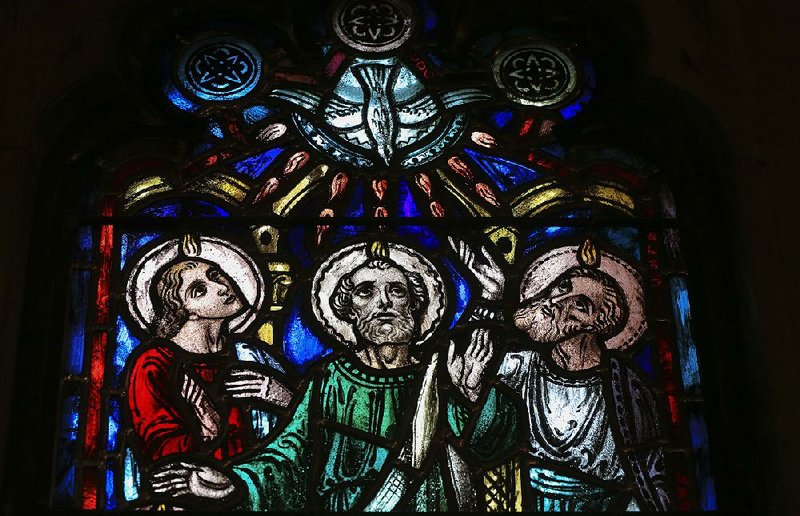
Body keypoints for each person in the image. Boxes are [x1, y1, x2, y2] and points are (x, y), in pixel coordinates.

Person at [148, 240, 520, 511]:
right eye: (365, 293)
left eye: (397, 291)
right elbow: (288, 454)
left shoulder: (442, 374)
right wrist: (236, 483)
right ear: (347, 312)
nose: (384, 303)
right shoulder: (329, 379)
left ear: (417, 306)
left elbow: (491, 447)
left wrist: (472, 395)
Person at [451, 237, 672, 512]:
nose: (557, 301)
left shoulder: (625, 389)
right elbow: (462, 368)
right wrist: (489, 297)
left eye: (580, 305)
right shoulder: (520, 367)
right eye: (561, 288)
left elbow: (650, 477)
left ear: (597, 325)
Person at [124, 235, 292, 469]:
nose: (222, 288)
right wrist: (206, 429)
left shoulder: (252, 356)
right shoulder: (155, 363)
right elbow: (159, 452)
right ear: (183, 310)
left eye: (216, 275)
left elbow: (300, 440)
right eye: (199, 290)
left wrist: (282, 397)